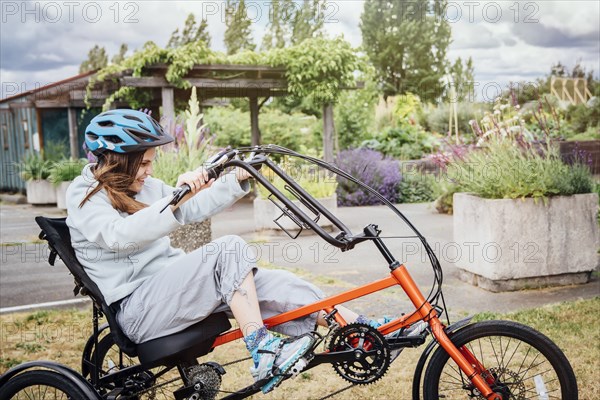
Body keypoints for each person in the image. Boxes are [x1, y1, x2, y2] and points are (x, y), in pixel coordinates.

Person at [66, 109, 412, 394]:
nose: (149, 171)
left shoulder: (146, 187)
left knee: (279, 284)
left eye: (151, 163)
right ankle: (262, 350)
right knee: (228, 249)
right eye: (143, 164)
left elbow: (188, 208)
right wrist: (180, 195)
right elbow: (122, 236)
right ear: (118, 161)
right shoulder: (85, 197)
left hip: (172, 294)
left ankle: (367, 331)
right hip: (139, 310)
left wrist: (236, 179)